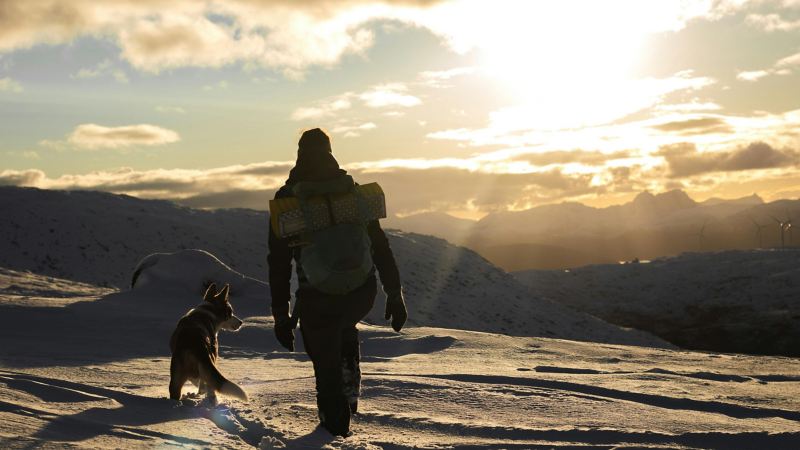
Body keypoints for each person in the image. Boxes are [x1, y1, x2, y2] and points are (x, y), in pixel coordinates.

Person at [268, 128, 408, 437]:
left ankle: (335, 431)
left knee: (324, 364)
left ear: (300, 154)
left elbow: (278, 263)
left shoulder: (287, 200)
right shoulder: (353, 191)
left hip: (318, 298)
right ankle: (348, 376)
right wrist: (394, 293)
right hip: (362, 292)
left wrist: (281, 314)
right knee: (343, 326)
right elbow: (379, 245)